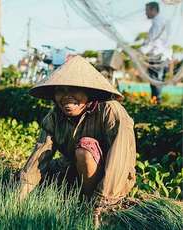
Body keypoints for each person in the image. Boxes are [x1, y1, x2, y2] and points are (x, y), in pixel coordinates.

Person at [18, 56, 136, 226]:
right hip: (75, 169)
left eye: (73, 89)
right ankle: (77, 197)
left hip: (113, 179)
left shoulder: (111, 110)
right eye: (60, 90)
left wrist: (102, 202)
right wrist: (20, 197)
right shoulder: (54, 117)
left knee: (85, 149)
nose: (66, 96)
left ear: (88, 92)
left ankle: (88, 207)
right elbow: (39, 158)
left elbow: (120, 162)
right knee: (22, 179)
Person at [141, 1, 172, 104]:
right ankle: (156, 104)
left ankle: (156, 105)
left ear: (153, 10)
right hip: (164, 56)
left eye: (147, 10)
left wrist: (140, 51)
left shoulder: (157, 22)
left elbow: (153, 41)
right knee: (157, 81)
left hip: (158, 56)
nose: (145, 13)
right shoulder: (163, 21)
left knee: (155, 81)